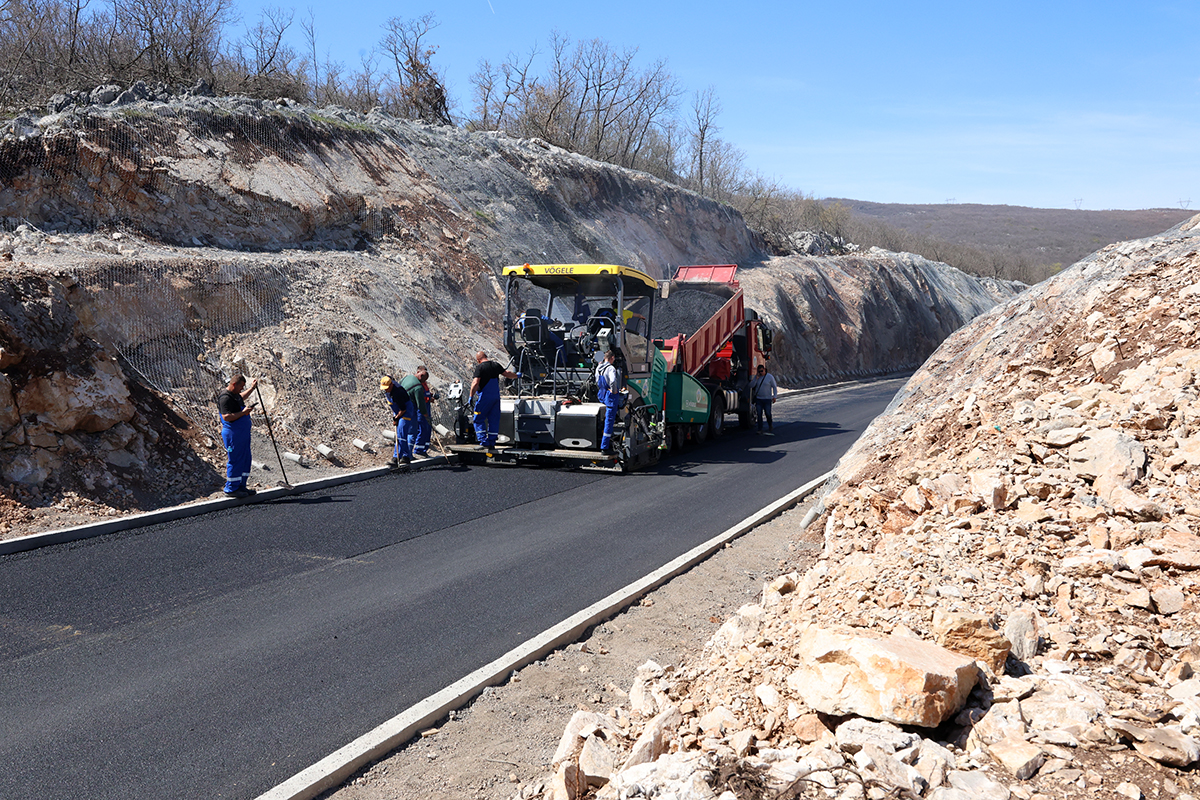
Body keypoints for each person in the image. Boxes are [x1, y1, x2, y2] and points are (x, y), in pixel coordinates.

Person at [217, 373, 258, 497]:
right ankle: (231, 489)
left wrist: (252, 388)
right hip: (233, 434)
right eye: (241, 386)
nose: (242, 389)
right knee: (235, 459)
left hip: (242, 434)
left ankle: (241, 486)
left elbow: (241, 396)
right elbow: (227, 417)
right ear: (234, 384)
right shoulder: (225, 398)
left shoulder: (235, 395)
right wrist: (243, 412)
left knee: (245, 459)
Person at [470, 351, 517, 450]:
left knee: (478, 418)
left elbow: (475, 382)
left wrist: (471, 396)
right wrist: (517, 375)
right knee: (494, 420)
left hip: (485, 398)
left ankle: (484, 442)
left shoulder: (480, 367)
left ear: (478, 360)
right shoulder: (495, 365)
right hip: (496, 397)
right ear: (486, 356)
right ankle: (492, 442)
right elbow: (507, 374)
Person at [380, 375, 415, 467]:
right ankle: (401, 457)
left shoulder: (397, 393)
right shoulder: (390, 388)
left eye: (387, 388)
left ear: (391, 385)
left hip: (405, 412)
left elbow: (403, 409)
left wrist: (396, 418)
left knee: (401, 435)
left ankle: (401, 457)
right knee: (400, 435)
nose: (385, 390)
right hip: (397, 411)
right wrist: (395, 416)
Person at [401, 366, 435, 458]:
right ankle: (411, 453)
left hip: (405, 408)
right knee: (413, 432)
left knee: (408, 432)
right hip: (414, 409)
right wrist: (426, 415)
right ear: (418, 372)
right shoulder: (418, 386)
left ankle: (407, 454)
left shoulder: (409, 379)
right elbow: (420, 403)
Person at [596, 348, 621, 455]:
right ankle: (604, 447)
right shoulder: (611, 369)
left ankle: (602, 442)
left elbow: (597, 381)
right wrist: (614, 391)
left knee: (604, 419)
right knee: (609, 421)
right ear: (611, 358)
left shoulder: (598, 368)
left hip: (601, 394)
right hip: (610, 396)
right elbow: (613, 381)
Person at [751, 364, 778, 433]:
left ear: (764, 370)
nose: (760, 373)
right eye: (759, 371)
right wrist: (755, 379)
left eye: (761, 371)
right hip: (759, 399)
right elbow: (751, 386)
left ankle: (770, 425)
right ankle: (760, 429)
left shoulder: (769, 377)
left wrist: (774, 396)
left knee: (768, 413)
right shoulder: (757, 378)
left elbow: (774, 387)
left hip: (767, 399)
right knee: (759, 414)